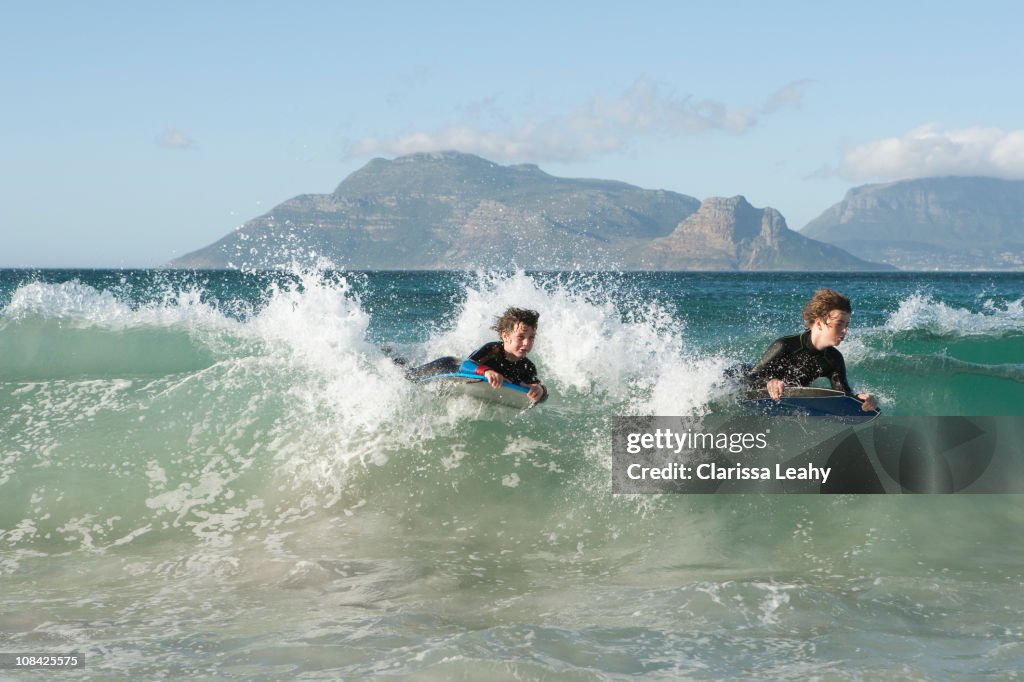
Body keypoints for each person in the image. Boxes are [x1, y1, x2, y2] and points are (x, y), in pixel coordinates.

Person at [748, 288, 877, 412]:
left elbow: (843, 394)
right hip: (746, 374)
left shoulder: (834, 359)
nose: (845, 330)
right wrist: (769, 383)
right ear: (819, 323)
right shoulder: (785, 345)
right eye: (839, 324)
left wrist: (861, 400)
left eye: (846, 325)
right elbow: (750, 378)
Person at [469, 306, 547, 403]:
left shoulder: (528, 366)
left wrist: (540, 389)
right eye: (520, 337)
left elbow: (538, 388)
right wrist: (487, 372)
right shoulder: (492, 350)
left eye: (531, 337)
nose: (526, 343)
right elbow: (466, 365)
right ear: (505, 336)